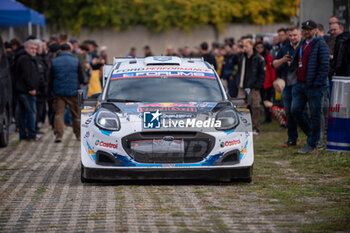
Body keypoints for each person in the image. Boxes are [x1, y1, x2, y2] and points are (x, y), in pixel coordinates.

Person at [291, 20, 330, 153]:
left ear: (315, 31)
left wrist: (316, 83)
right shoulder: (302, 43)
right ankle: (311, 135)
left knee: (315, 114)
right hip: (300, 84)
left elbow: (325, 66)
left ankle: (313, 143)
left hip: (314, 86)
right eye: (304, 29)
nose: (306, 31)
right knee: (294, 110)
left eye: (309, 29)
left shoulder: (321, 44)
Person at [272, 26, 301, 147]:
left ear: (299, 35)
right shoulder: (285, 48)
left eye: (295, 35)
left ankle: (310, 135)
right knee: (288, 111)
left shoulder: (303, 47)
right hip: (287, 83)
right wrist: (283, 60)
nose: (293, 37)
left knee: (297, 110)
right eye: (291, 35)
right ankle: (292, 138)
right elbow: (274, 63)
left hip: (300, 83)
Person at [50, 44, 85, 143]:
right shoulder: (76, 61)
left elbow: (50, 77)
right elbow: (81, 77)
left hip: (59, 93)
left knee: (59, 114)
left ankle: (59, 135)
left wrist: (52, 89)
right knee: (76, 114)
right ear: (70, 50)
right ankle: (79, 135)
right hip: (74, 92)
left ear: (60, 50)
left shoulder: (54, 61)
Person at [235, 39, 266, 135]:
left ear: (252, 46)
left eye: (246, 46)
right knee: (241, 107)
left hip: (253, 87)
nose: (244, 48)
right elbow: (239, 71)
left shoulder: (258, 58)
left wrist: (257, 86)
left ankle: (255, 128)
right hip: (242, 86)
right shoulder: (241, 58)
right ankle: (242, 127)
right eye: (243, 46)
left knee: (255, 107)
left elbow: (262, 74)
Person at [14, 40, 40, 141]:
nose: (34, 50)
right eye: (31, 48)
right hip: (26, 91)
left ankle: (23, 134)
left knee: (23, 113)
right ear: (26, 48)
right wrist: (31, 88)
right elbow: (26, 75)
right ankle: (31, 134)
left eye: (35, 49)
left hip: (23, 90)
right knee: (31, 112)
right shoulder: (25, 59)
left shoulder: (27, 58)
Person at [255, 41, 276, 124]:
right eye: (258, 47)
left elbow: (272, 70)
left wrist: (273, 81)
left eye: (261, 47)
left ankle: (268, 118)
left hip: (267, 83)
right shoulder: (256, 57)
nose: (259, 49)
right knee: (263, 101)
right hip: (260, 83)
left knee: (267, 101)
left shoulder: (268, 57)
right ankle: (267, 118)